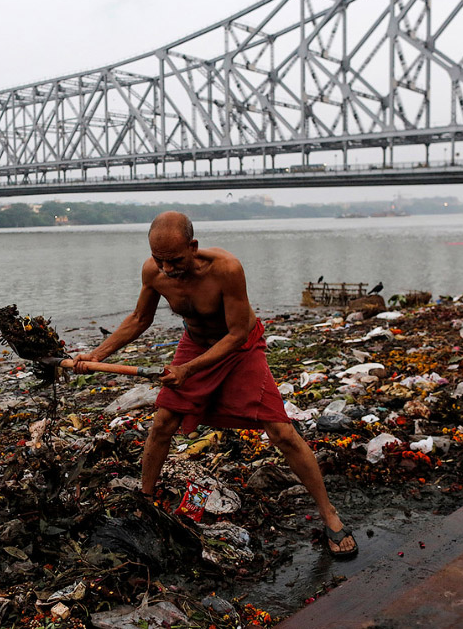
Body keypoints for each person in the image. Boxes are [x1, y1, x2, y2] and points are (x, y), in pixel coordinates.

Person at [73, 211, 358, 557]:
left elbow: (238, 334)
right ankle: (145, 503)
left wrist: (188, 370)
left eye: (175, 260)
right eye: (159, 260)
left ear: (193, 247)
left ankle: (329, 513)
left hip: (240, 347)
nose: (167, 269)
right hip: (195, 342)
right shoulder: (154, 272)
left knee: (281, 431)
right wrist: (96, 355)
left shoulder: (226, 269)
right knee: (163, 422)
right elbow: (139, 319)